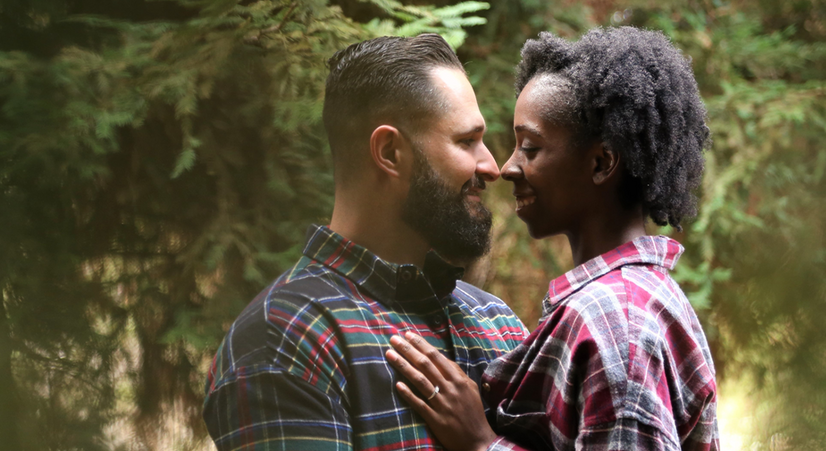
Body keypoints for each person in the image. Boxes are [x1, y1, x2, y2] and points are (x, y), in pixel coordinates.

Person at [386, 27, 719, 450]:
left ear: (601, 163)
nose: (506, 167)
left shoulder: (618, 323)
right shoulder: (632, 300)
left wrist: (481, 443)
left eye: (530, 147)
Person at [202, 34, 529, 451]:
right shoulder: (285, 339)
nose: (492, 166)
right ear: (390, 152)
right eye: (466, 141)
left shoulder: (496, 321)